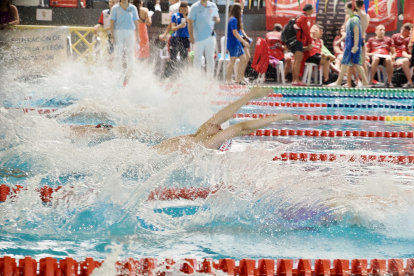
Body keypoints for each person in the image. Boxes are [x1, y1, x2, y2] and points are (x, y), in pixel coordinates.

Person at [152, 87, 299, 155]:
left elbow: (242, 127)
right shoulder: (197, 135)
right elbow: (223, 115)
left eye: (220, 128)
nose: (216, 123)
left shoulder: (205, 145)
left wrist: (278, 117)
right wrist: (249, 96)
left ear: (218, 136)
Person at [326, 3, 369, 87]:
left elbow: (356, 33)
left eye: (346, 8)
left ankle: (339, 82)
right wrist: (339, 40)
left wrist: (356, 46)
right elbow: (347, 33)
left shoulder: (355, 19)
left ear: (351, 9)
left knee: (349, 63)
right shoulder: (350, 19)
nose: (345, 10)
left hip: (352, 45)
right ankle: (364, 82)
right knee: (351, 63)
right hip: (350, 44)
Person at [188, 0, 220, 78]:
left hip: (210, 36)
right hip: (199, 37)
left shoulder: (213, 5)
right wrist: (191, 36)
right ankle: (196, 78)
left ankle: (210, 78)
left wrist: (216, 19)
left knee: (210, 57)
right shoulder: (194, 7)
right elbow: (189, 22)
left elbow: (218, 19)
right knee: (197, 58)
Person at [110, 0, 140, 79]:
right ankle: (116, 73)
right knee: (118, 53)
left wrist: (138, 35)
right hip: (118, 32)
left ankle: (131, 73)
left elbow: (136, 22)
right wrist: (112, 35)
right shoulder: (115, 8)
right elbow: (112, 22)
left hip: (130, 32)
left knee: (130, 53)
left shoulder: (133, 8)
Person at [288, 4, 314, 86]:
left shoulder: (299, 16)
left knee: (296, 60)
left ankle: (294, 80)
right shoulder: (303, 17)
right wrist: (310, 41)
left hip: (294, 41)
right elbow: (306, 31)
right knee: (298, 60)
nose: (313, 12)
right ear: (309, 9)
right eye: (313, 10)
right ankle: (296, 80)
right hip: (297, 41)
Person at [225, 4, 249, 84]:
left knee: (244, 59)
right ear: (237, 10)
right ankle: (228, 79)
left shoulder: (236, 19)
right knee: (232, 60)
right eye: (241, 9)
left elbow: (239, 32)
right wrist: (244, 41)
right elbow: (235, 33)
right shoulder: (233, 20)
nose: (242, 11)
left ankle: (239, 79)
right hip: (233, 42)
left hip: (237, 43)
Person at [392, 23, 413, 88]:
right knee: (404, 61)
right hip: (405, 58)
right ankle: (409, 82)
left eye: (411, 30)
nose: (411, 32)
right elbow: (404, 52)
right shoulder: (405, 40)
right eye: (402, 29)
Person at [170, 1, 190, 68]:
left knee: (183, 57)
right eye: (182, 10)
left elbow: (192, 25)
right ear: (179, 9)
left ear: (187, 9)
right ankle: (171, 72)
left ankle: (181, 72)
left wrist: (186, 17)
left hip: (185, 38)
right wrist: (180, 26)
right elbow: (172, 28)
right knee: (173, 57)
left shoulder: (189, 17)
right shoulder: (175, 15)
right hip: (176, 37)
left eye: (185, 10)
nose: (183, 11)